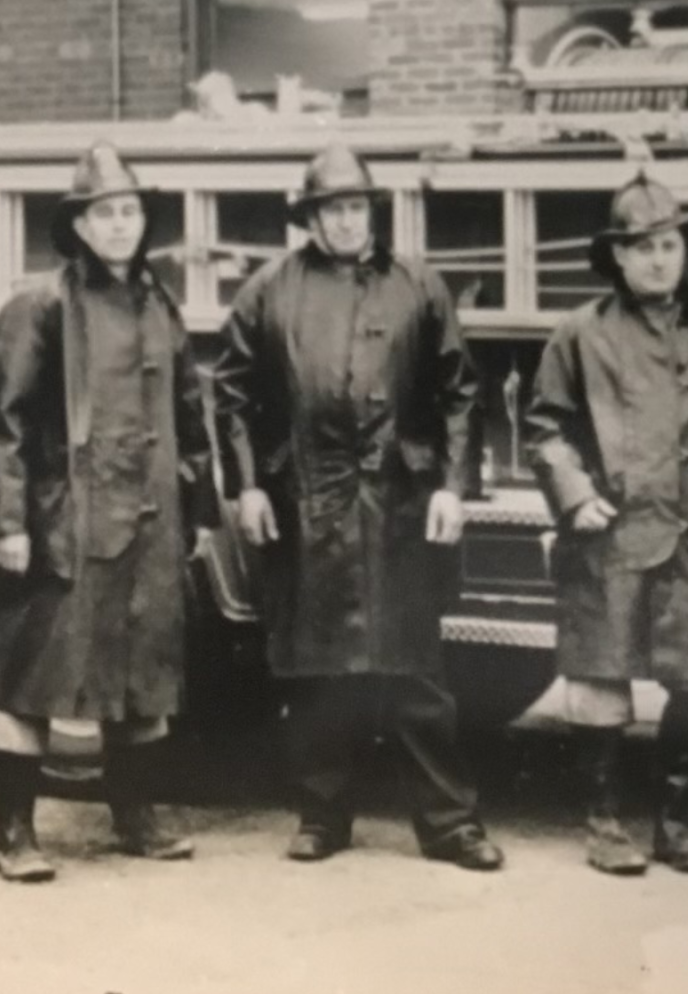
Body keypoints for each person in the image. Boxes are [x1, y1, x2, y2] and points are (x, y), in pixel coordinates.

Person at [214, 144, 503, 872]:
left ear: (372, 210)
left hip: (401, 505)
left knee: (415, 674)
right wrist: (247, 484)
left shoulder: (419, 286)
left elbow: (462, 391)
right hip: (307, 503)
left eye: (355, 206)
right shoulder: (269, 291)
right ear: (310, 217)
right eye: (330, 208)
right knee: (317, 673)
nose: (345, 220)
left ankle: (450, 824)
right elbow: (233, 395)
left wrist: (453, 486)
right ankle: (321, 815)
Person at [0, 143, 224, 880]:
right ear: (79, 226)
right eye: (104, 213)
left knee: (142, 674)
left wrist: (198, 508)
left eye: (130, 210)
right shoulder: (43, 307)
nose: (120, 225)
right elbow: (7, 423)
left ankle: (135, 818)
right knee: (36, 678)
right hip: (69, 521)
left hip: (150, 522)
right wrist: (12, 521)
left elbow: (187, 409)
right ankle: (14, 834)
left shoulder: (160, 304)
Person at [522, 174, 688, 877]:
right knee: (601, 675)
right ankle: (605, 824)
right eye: (642, 248)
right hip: (607, 534)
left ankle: (675, 825)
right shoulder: (581, 333)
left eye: (668, 244)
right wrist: (576, 496)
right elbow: (543, 429)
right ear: (619, 259)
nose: (659, 259)